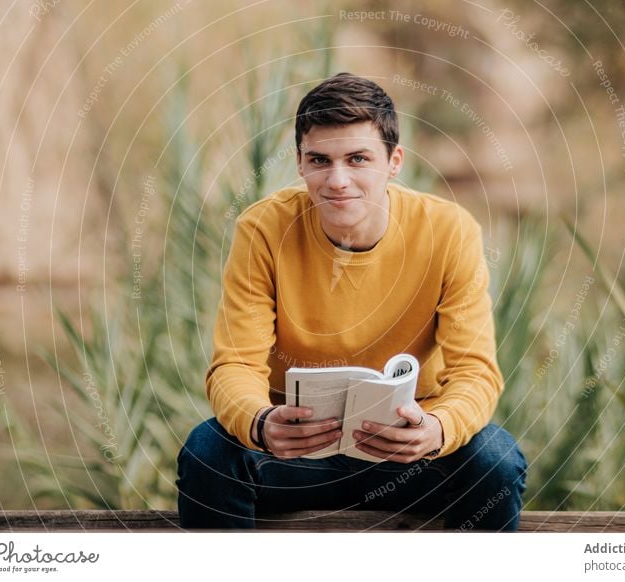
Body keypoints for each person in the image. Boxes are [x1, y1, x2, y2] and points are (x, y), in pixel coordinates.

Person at [176, 72, 526, 531]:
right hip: (294, 456)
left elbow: (474, 372)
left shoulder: (448, 231)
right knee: (207, 451)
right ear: (300, 163)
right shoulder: (263, 229)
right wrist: (262, 423)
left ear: (394, 161)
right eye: (320, 159)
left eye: (358, 158)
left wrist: (437, 429)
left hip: (408, 454)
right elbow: (234, 365)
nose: (337, 180)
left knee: (495, 458)